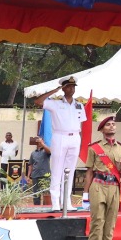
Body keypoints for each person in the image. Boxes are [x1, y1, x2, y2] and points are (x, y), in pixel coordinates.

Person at [32, 78, 84, 211]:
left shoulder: (79, 105)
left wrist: (80, 141)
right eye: (68, 86)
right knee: (57, 170)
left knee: (70, 170)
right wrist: (54, 91)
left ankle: (66, 201)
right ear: (63, 88)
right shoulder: (55, 103)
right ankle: (55, 202)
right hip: (60, 136)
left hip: (75, 137)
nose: (71, 89)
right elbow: (38, 101)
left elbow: (81, 125)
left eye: (73, 86)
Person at [27, 134, 52, 203]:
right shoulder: (33, 153)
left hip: (45, 175)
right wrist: (28, 176)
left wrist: (42, 143)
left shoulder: (45, 151)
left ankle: (46, 208)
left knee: (46, 193)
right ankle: (36, 208)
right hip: (35, 175)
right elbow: (30, 165)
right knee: (36, 194)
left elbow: (49, 151)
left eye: (40, 140)